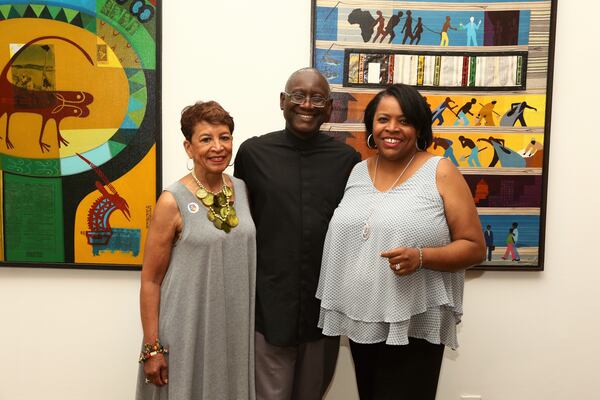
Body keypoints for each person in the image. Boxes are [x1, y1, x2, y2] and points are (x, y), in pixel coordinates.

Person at [316, 84, 485, 400]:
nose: (392, 128)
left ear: (419, 127)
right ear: (372, 126)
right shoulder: (356, 171)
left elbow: (474, 246)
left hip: (414, 322)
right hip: (362, 320)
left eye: (404, 120)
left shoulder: (440, 170)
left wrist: (421, 257)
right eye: (383, 119)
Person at [234, 68, 360, 400]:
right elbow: (240, 226)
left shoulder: (348, 160)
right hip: (268, 308)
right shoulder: (252, 154)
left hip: (323, 308)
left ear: (329, 107)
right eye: (298, 95)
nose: (307, 104)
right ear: (282, 102)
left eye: (317, 97)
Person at [136, 101, 256, 399]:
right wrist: (153, 348)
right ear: (189, 148)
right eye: (206, 139)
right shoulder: (171, 200)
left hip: (233, 329)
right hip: (185, 330)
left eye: (224, 137)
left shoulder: (241, 189)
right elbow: (150, 281)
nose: (218, 147)